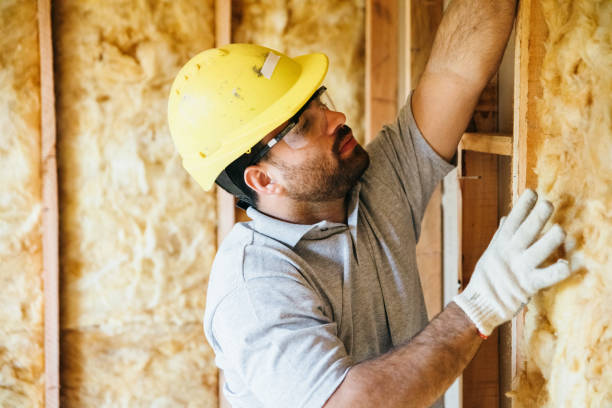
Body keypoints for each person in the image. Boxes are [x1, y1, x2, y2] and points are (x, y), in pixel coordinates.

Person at [167, 1, 572, 407]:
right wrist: (482, 304)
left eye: (319, 102)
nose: (336, 117)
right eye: (304, 125)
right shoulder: (254, 285)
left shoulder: (371, 190)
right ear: (262, 179)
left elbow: (454, 74)